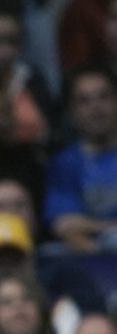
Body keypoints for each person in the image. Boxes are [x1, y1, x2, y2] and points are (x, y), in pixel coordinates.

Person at [45, 68, 117, 254]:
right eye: (84, 101)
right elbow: (65, 226)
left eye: (104, 97)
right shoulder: (64, 164)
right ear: (71, 113)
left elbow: (77, 223)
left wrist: (90, 225)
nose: (96, 107)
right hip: (92, 261)